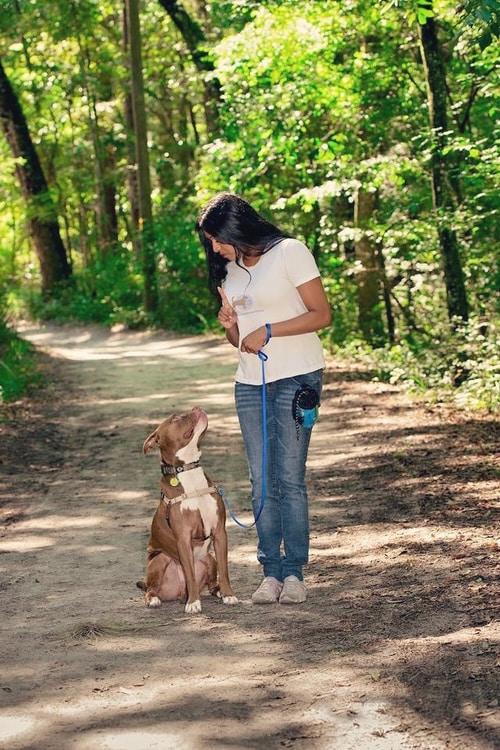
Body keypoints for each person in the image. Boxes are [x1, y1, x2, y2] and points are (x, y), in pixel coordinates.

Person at [196, 193, 331, 605]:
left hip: (297, 379)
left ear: (237, 227)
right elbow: (241, 343)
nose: (215, 249)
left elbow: (321, 315)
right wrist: (232, 326)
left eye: (218, 239)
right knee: (261, 480)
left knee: (289, 478)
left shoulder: (291, 252)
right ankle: (270, 572)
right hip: (250, 384)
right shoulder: (231, 271)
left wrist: (269, 329)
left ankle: (295, 574)